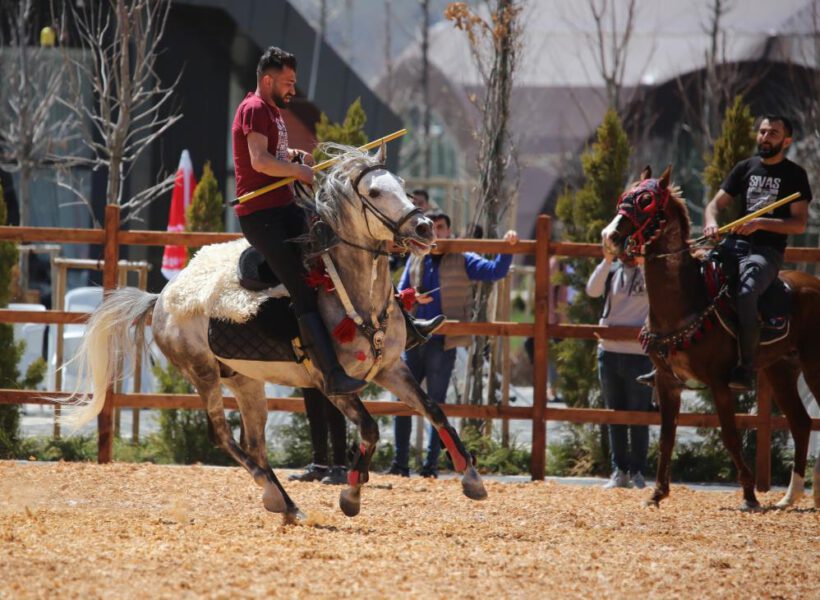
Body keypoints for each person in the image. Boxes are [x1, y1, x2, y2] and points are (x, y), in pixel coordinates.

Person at [385, 211, 518, 477]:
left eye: (440, 227)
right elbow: (398, 295)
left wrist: (507, 247)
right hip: (413, 340)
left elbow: (496, 271)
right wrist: (413, 298)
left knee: (436, 403)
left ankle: (430, 466)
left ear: (448, 231)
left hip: (443, 341)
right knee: (404, 401)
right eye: (431, 227)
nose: (436, 231)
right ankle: (400, 464)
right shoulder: (415, 258)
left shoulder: (463, 258)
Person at [702, 115, 812, 391]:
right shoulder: (744, 168)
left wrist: (761, 223)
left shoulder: (795, 175)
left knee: (747, 292)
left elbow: (798, 224)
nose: (765, 137)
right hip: (734, 245)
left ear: (787, 141)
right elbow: (714, 205)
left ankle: (746, 365)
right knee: (697, 275)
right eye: (762, 132)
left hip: (767, 251)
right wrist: (711, 223)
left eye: (773, 133)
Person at [587, 252, 653, 489]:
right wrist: (605, 259)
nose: (629, 253)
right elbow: (592, 290)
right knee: (614, 414)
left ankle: (637, 471)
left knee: (639, 416)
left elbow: (657, 293)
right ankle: (619, 470)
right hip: (609, 351)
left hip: (640, 354)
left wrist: (644, 262)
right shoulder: (612, 270)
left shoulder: (649, 271)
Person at [288, 388, 348, 485]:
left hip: (331, 375)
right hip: (308, 374)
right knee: (314, 413)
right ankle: (319, 466)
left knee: (334, 412)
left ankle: (340, 468)